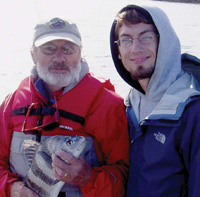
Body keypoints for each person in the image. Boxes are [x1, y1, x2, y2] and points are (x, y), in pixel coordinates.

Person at [0, 17, 129, 197]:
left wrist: (88, 178)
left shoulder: (109, 105)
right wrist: (12, 188)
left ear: (80, 52)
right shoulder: (10, 103)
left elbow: (126, 179)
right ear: (33, 54)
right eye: (49, 49)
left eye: (68, 49)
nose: (59, 58)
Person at [110, 4, 200, 197]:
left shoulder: (193, 111)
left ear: (165, 42)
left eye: (146, 37)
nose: (135, 48)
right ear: (118, 51)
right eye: (126, 39)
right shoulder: (128, 105)